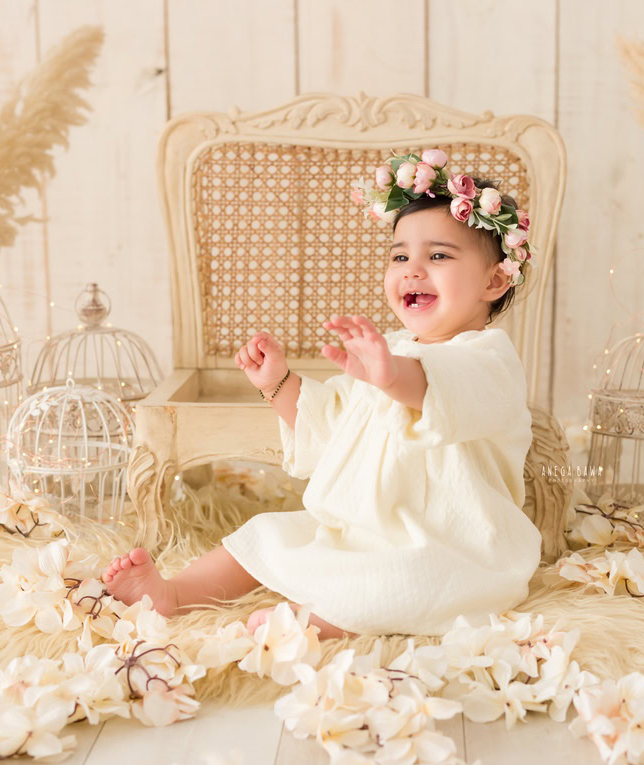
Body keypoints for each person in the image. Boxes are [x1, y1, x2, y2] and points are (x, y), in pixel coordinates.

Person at [102, 149, 541, 640]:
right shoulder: (388, 350)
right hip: (364, 530)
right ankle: (175, 593)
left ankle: (317, 623)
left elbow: (440, 390)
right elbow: (328, 426)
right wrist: (278, 383)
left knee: (400, 587)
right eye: (400, 256)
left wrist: (390, 376)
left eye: (437, 255)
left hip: (452, 546)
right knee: (269, 535)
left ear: (494, 280)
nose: (412, 269)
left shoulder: (488, 359)